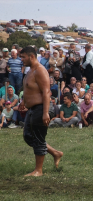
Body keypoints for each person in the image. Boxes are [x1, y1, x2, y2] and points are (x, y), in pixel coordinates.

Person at [18, 47, 63, 176]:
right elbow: (30, 89)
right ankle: (55, 153)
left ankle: (38, 170)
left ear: (32, 56)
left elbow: (46, 92)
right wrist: (23, 102)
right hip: (32, 108)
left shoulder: (40, 71)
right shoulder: (30, 71)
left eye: (23, 57)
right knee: (28, 136)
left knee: (38, 138)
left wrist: (45, 113)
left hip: (42, 108)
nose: (22, 59)